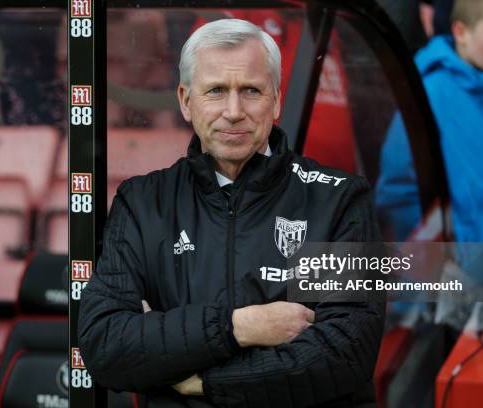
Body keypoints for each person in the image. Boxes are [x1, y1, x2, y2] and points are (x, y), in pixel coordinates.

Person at [79, 19, 385, 408]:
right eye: (216, 91)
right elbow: (105, 345)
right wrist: (239, 327)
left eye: (251, 91)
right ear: (186, 101)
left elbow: (344, 353)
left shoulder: (338, 201)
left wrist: (206, 382)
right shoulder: (143, 202)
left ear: (276, 100)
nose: (234, 111)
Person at [376, 0, 483, 277]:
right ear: (461, 32)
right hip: (439, 281)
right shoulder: (429, 95)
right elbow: (398, 191)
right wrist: (431, 262)